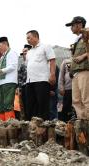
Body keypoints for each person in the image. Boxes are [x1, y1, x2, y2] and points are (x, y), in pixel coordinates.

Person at [66, 16, 89, 155]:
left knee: (86, 99)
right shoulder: (77, 39)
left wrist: (84, 56)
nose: (71, 28)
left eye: (73, 25)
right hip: (75, 73)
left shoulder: (87, 34)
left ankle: (87, 122)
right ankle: (82, 123)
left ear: (79, 24)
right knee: (76, 100)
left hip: (85, 71)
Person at [25, 30, 56, 121]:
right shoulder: (29, 52)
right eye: (27, 38)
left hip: (41, 80)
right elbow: (28, 65)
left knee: (43, 105)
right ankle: (32, 127)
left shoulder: (45, 46)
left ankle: (44, 129)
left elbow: (52, 60)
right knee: (30, 106)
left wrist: (52, 74)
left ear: (35, 37)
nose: (27, 40)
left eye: (29, 37)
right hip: (30, 81)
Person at [0, 37, 19, 121]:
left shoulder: (12, 53)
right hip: (0, 83)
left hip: (9, 82)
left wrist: (1, 70)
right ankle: (2, 124)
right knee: (0, 105)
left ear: (5, 44)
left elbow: (13, 66)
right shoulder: (2, 57)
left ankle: (10, 125)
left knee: (7, 104)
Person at [18, 44, 32, 120]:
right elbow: (19, 78)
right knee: (25, 106)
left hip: (33, 86)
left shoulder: (35, 63)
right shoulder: (22, 65)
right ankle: (27, 121)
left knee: (33, 105)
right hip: (24, 87)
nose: (24, 54)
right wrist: (20, 89)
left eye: (26, 52)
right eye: (23, 53)